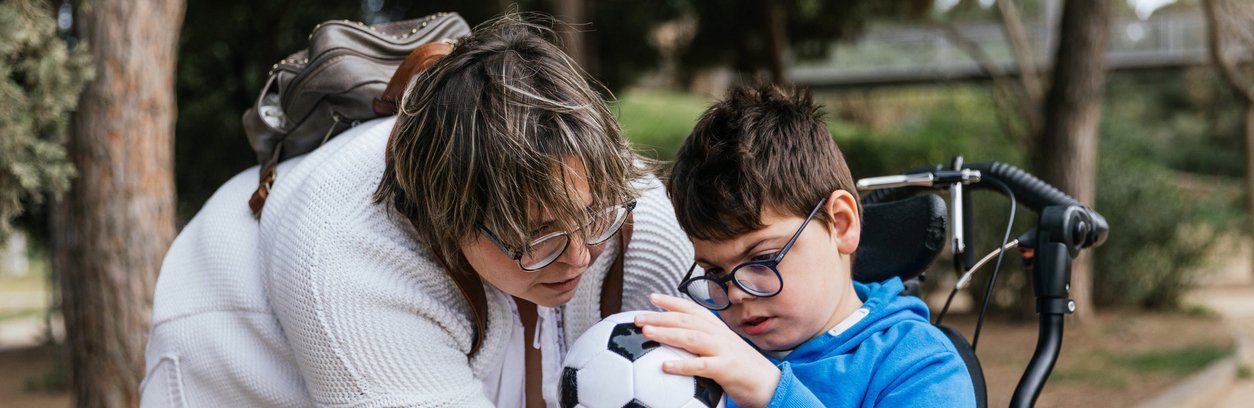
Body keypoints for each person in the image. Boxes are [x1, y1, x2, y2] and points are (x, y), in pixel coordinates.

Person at [140, 14, 692, 408]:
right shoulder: (350, 263)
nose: (580, 256)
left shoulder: (630, 209)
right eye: (541, 238)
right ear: (446, 226)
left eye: (592, 218)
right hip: (231, 365)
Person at [634, 83, 976, 408]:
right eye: (714, 270)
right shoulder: (701, 348)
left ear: (841, 224)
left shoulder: (921, 366)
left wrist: (770, 392)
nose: (735, 294)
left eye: (763, 258)